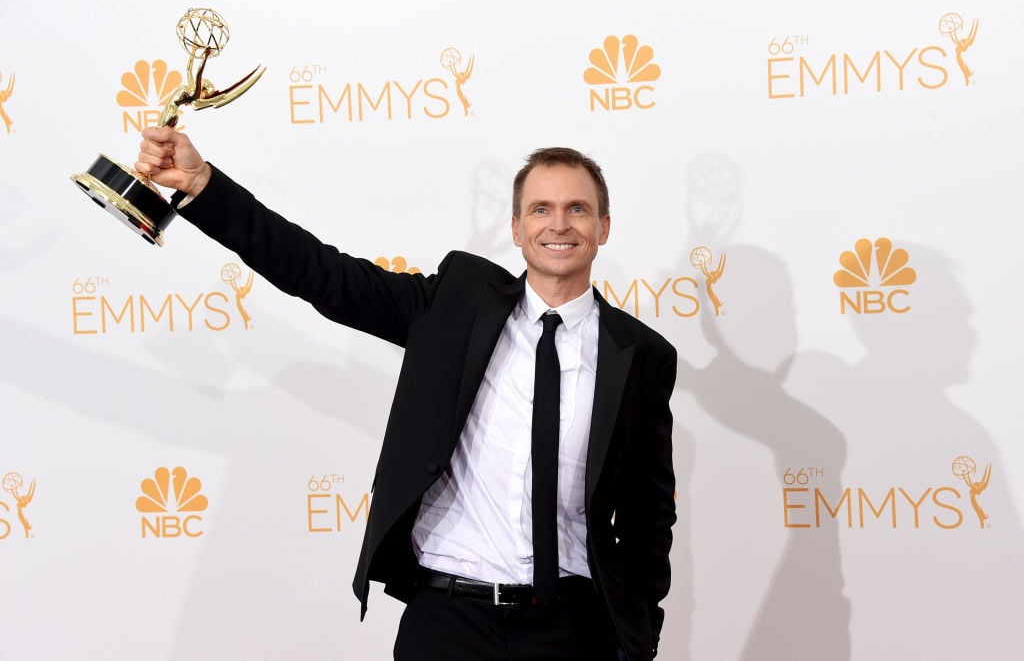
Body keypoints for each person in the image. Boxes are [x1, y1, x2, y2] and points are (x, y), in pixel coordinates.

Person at [135, 128, 677, 661]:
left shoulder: (641, 355)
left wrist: (640, 635)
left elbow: (649, 515)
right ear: (516, 228)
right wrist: (204, 186)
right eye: (541, 209)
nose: (558, 224)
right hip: (447, 622)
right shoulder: (457, 303)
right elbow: (323, 274)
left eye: (577, 209)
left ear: (604, 227)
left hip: (572, 629)